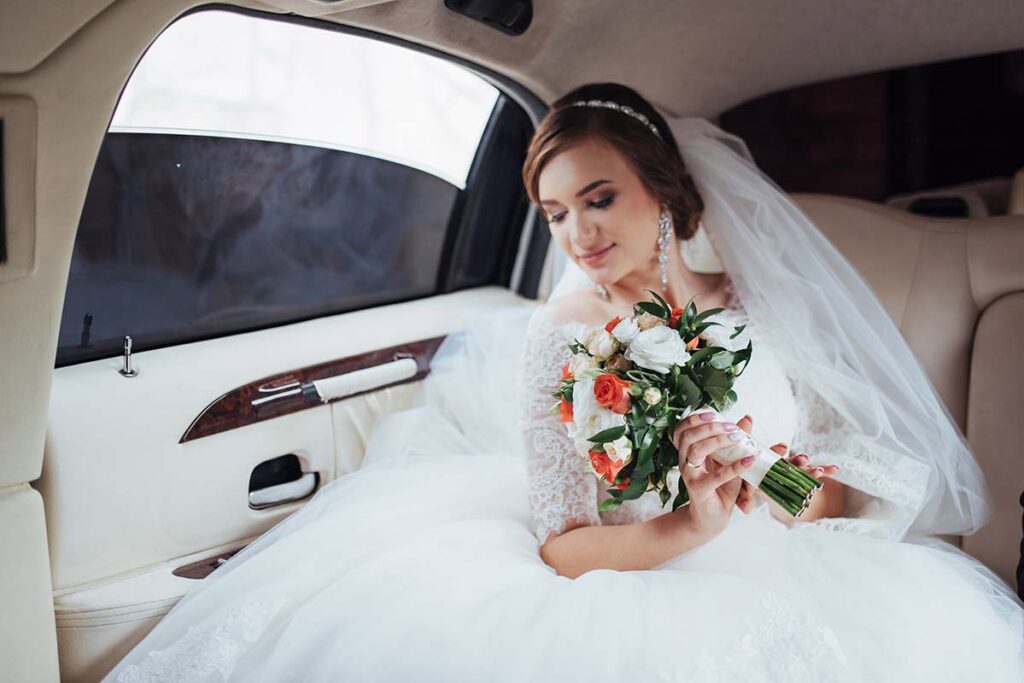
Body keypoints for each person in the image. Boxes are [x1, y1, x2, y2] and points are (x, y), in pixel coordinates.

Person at [103, 83, 1024, 682]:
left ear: (662, 191)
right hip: (618, 578)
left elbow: (822, 491)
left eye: (600, 197)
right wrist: (683, 522)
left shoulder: (761, 306)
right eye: (554, 213)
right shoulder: (563, 338)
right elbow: (561, 547)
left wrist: (758, 485)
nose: (578, 234)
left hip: (783, 569)